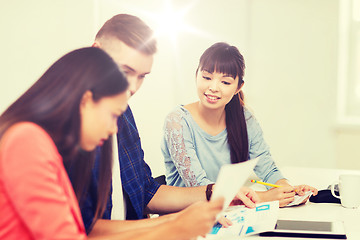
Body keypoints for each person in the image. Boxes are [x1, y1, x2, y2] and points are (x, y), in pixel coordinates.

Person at [0, 47, 227, 240]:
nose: (113, 129)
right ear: (86, 100)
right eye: (111, 115)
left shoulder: (47, 145)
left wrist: (181, 220)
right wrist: (175, 227)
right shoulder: (26, 141)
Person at [81, 14, 260, 238]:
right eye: (125, 71)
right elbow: (84, 228)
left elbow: (146, 191)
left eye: (142, 76)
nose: (133, 87)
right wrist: (174, 224)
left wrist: (211, 193)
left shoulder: (124, 114)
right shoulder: (70, 125)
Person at [161, 42, 318, 208]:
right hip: (185, 218)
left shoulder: (244, 118)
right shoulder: (177, 122)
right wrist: (263, 197)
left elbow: (267, 168)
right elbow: (199, 187)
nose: (213, 88)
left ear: (238, 87)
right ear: (196, 75)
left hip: (228, 215)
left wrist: (286, 190)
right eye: (206, 78)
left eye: (225, 82)